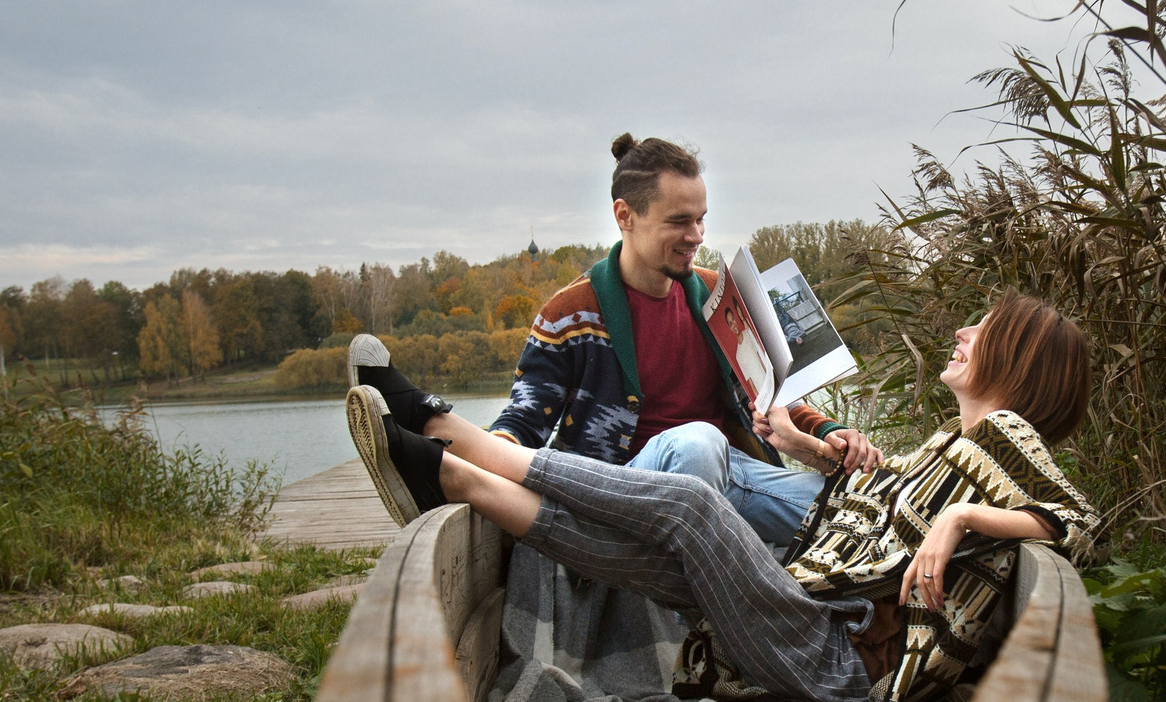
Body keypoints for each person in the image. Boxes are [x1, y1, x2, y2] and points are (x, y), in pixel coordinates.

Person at [346, 292, 1099, 702]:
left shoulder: (1005, 434)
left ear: (1018, 360)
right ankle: (458, 476)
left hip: (846, 660)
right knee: (663, 554)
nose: (963, 333)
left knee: (691, 508)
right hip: (818, 622)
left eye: (984, 329)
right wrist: (807, 449)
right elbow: (859, 516)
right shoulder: (952, 445)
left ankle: (455, 436)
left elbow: (1080, 521)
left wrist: (961, 522)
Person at [344, 133, 840, 548]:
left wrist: (828, 433)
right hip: (621, 491)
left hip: (732, 479)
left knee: (850, 510)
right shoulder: (570, 314)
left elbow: (774, 398)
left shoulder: (718, 299)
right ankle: (451, 456)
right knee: (696, 443)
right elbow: (523, 422)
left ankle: (438, 442)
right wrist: (495, 452)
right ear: (625, 216)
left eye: (700, 218)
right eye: (678, 221)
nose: (696, 235)